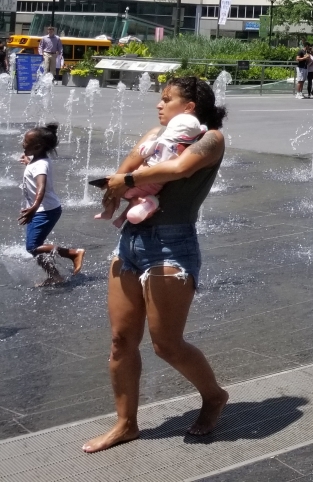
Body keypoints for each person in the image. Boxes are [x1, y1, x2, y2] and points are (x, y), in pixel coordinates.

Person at [83, 77, 229, 453]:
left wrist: (127, 179)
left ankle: (213, 396)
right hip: (130, 242)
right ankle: (125, 424)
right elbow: (128, 164)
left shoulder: (211, 139)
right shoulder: (156, 133)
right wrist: (123, 178)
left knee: (166, 344)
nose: (158, 106)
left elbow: (178, 169)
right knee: (120, 341)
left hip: (172, 244)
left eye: (167, 99)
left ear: (190, 106)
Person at [95, 110, 207, 227]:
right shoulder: (184, 149)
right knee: (141, 198)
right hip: (155, 186)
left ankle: (108, 212)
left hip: (139, 180)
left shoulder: (161, 141)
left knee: (112, 185)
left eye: (166, 100)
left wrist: (149, 142)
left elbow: (143, 151)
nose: (159, 106)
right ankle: (130, 213)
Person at [17, 123, 84, 286]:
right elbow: (34, 171)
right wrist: (28, 162)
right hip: (40, 210)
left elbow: (41, 187)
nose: (22, 143)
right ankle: (55, 276)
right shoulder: (37, 161)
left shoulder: (41, 165)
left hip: (44, 210)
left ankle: (73, 253)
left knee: (33, 247)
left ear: (38, 146)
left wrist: (33, 207)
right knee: (35, 248)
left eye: (26, 142)